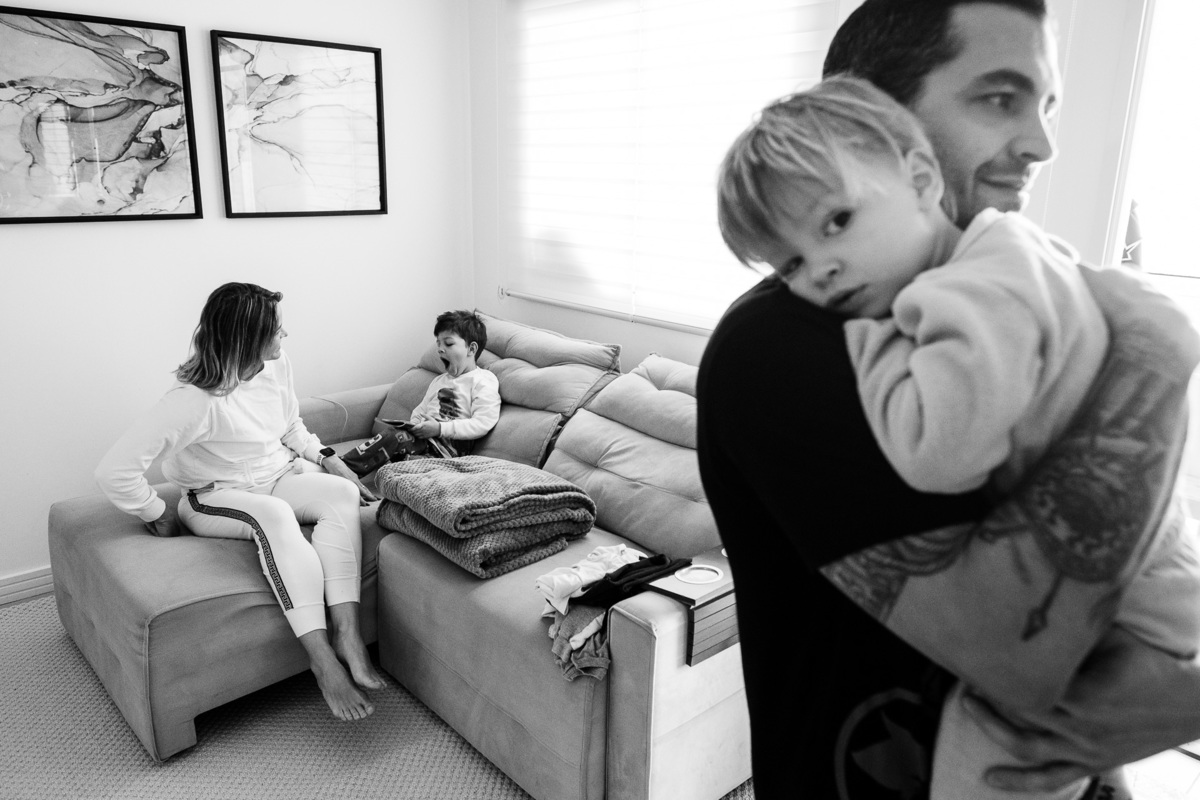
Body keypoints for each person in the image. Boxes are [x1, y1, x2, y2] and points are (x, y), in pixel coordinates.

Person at [696, 1, 1200, 798]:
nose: (1041, 144)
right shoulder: (786, 342)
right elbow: (1020, 657)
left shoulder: (992, 279)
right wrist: (1156, 360)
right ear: (873, 113)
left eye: (1045, 104)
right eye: (999, 98)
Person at [95, 282, 386, 722]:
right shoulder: (192, 400)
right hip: (215, 495)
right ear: (248, 338)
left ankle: (348, 634)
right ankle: (322, 660)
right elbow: (113, 470)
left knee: (341, 493)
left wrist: (328, 459)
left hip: (280, 473)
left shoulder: (276, 363)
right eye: (276, 329)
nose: (285, 335)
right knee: (275, 515)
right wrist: (155, 511)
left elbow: (290, 425)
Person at [371, 309, 500, 462]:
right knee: (393, 438)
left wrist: (439, 429)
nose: (440, 349)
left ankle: (350, 466)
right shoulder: (439, 380)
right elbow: (421, 410)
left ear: (471, 349)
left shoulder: (483, 380)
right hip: (424, 441)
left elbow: (482, 422)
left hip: (448, 448)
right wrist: (415, 427)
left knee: (393, 439)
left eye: (448, 343)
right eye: (438, 343)